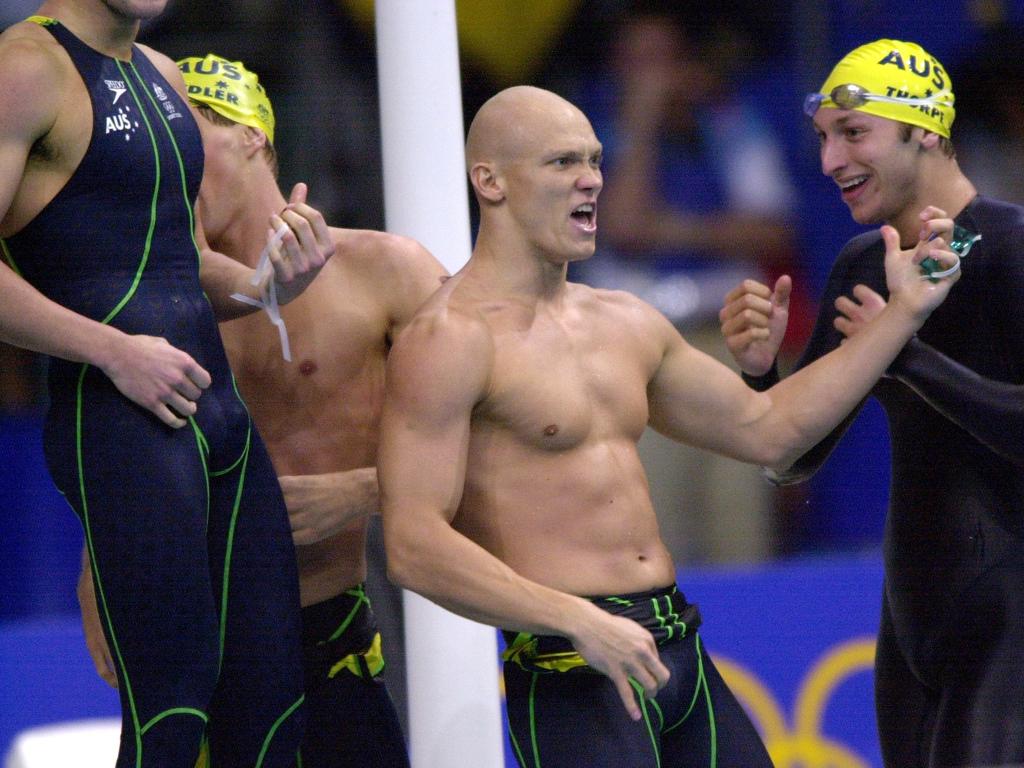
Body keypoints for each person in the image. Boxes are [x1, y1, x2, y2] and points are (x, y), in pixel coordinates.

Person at [376, 84, 960, 767]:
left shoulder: (624, 321)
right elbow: (413, 543)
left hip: (676, 647)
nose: (592, 178)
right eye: (563, 162)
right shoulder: (448, 339)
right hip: (575, 667)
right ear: (491, 181)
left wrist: (904, 312)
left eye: (595, 159)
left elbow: (771, 428)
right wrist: (576, 619)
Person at [73, 53, 447, 766]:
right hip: (187, 642)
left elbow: (493, 424)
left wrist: (365, 492)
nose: (169, 157)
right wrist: (98, 563)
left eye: (189, 130)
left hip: (328, 636)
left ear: (253, 137)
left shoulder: (385, 272)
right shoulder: (154, 291)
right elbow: (124, 445)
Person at [0, 4, 335, 765]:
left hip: (217, 415)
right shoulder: (27, 68)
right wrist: (111, 352)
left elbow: (178, 259)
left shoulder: (160, 75)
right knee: (171, 713)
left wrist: (269, 284)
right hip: (120, 422)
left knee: (272, 705)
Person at [718, 39, 1024, 767]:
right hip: (911, 612)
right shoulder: (865, 265)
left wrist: (906, 351)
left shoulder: (1014, 250)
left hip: (1011, 614)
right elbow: (791, 457)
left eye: (854, 133)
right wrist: (763, 378)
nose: (830, 162)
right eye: (823, 139)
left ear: (928, 133)